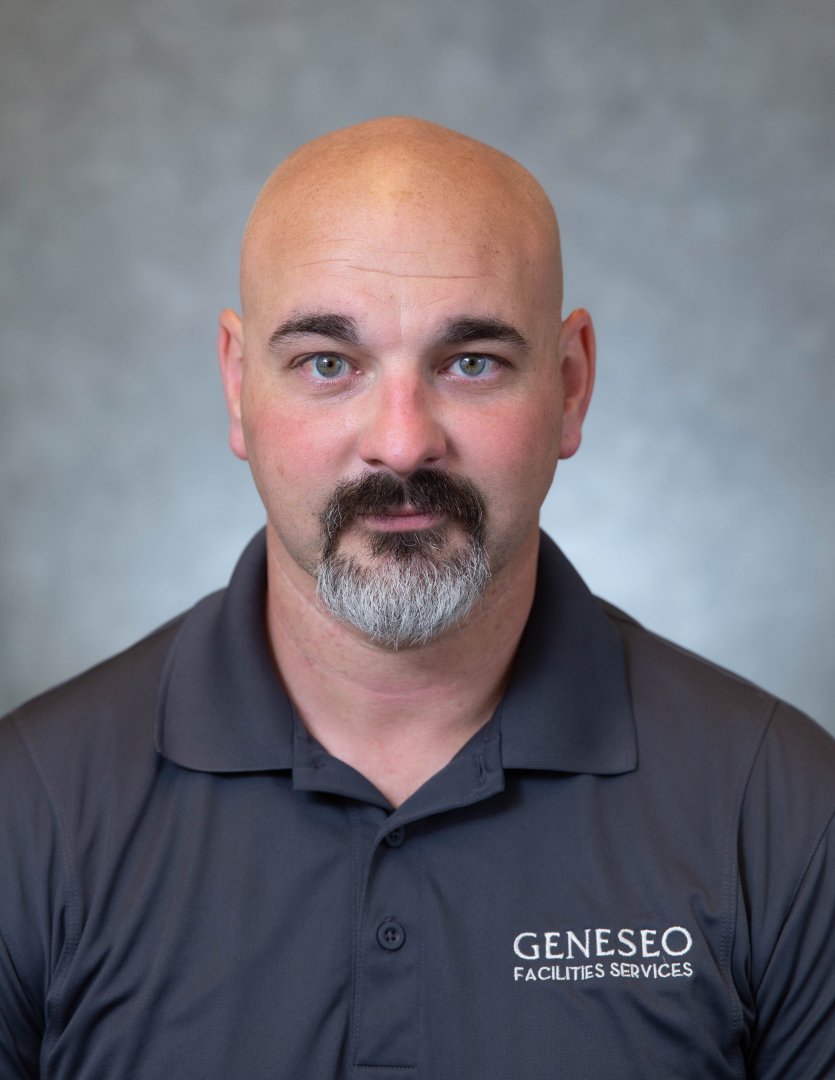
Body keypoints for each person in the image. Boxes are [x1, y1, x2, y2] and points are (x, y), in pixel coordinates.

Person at [1, 117, 833, 1080]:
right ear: (238, 387)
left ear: (569, 386)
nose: (401, 444)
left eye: (469, 362)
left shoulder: (782, 814)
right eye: (328, 363)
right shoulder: (31, 812)